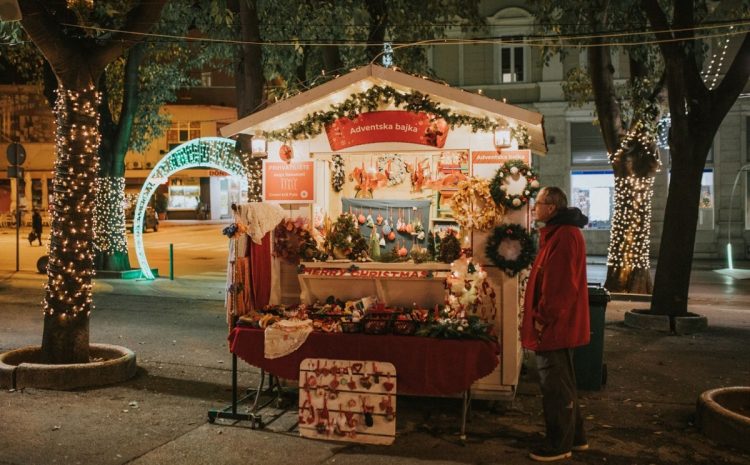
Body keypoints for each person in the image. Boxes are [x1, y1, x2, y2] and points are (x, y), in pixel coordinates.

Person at [522, 186, 590, 462]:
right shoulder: (560, 234)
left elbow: (559, 287)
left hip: (555, 326)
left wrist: (541, 319)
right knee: (563, 383)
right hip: (559, 323)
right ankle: (575, 437)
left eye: (537, 203)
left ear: (550, 208)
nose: (533, 208)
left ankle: (559, 444)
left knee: (555, 386)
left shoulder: (563, 237)